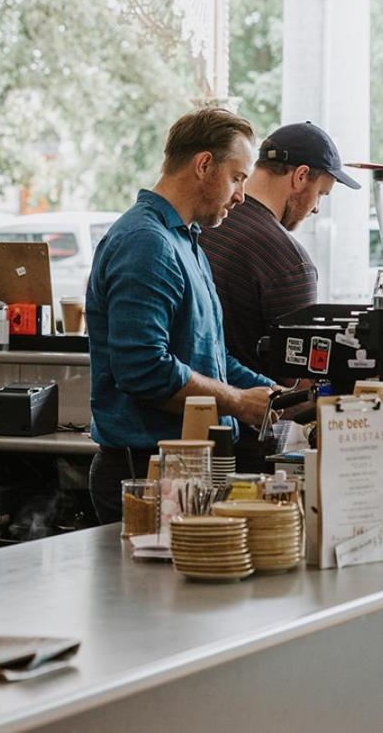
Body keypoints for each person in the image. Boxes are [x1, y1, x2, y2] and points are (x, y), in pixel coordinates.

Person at [85, 107, 277, 524]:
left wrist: (281, 397)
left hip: (184, 470)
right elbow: (144, 370)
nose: (241, 195)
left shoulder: (186, 241)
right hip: (145, 473)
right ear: (204, 165)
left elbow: (213, 361)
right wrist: (242, 403)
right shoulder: (145, 243)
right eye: (238, 177)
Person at [200, 121, 361, 376]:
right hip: (253, 412)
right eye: (321, 193)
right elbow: (299, 380)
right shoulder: (291, 263)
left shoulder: (203, 222)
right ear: (300, 177)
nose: (317, 208)